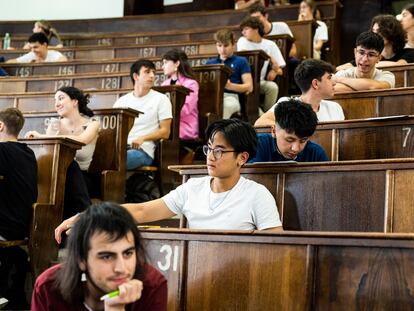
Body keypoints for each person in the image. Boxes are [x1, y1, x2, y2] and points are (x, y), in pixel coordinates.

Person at [55, 119, 283, 239]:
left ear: (242, 158)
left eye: (220, 151)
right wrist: (88, 216)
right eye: (209, 149)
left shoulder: (257, 194)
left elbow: (275, 246)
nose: (211, 157)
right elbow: (142, 211)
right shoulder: (191, 188)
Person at [32, 202, 167, 311]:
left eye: (128, 253)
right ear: (81, 259)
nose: (121, 268)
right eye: (107, 257)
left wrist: (116, 309)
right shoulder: (49, 288)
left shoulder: (151, 285)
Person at [25, 86, 99, 219]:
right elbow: (50, 152)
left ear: (74, 101)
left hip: (84, 176)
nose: (57, 104)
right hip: (59, 176)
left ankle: (85, 216)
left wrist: (42, 137)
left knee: (71, 165)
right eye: (55, 100)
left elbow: (82, 140)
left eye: (61, 98)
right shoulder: (55, 124)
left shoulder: (92, 124)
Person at [0, 108, 37, 310]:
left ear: (0, 126)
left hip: (7, 225)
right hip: (23, 222)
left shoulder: (3, 150)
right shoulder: (28, 152)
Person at [113, 59, 172, 170]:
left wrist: (143, 138)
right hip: (120, 148)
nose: (152, 76)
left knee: (117, 161)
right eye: (147, 72)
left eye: (153, 73)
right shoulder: (121, 101)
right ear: (136, 76)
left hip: (143, 151)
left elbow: (165, 132)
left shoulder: (161, 99)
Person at [255, 59, 344, 126]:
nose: (334, 83)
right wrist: (295, 131)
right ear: (315, 83)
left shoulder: (335, 108)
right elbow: (260, 123)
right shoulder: (287, 103)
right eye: (329, 78)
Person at [249, 99, 328, 162]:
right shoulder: (256, 146)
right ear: (274, 131)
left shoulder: (316, 154)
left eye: (303, 141)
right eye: (289, 140)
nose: (295, 149)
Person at [237, 16, 286, 112]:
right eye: (242, 30)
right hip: (244, 81)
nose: (243, 32)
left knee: (272, 87)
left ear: (256, 29)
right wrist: (269, 57)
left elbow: (280, 70)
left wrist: (274, 71)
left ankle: (268, 113)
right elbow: (245, 53)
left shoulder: (270, 44)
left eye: (246, 29)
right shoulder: (242, 41)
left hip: (260, 81)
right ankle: (258, 113)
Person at [337, 15, 414, 70]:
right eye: (374, 31)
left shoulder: (408, 53)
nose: (375, 35)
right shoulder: (370, 55)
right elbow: (340, 68)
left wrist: (366, 65)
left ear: (392, 33)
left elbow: (399, 66)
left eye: (379, 31)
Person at [206, 29, 253, 119]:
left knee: (226, 106)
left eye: (226, 45)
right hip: (213, 97)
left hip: (232, 97)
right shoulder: (210, 62)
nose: (222, 49)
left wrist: (229, 86)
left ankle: (218, 131)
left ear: (233, 44)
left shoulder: (241, 61)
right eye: (219, 45)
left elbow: (249, 87)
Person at [161, 49, 199, 140]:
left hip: (185, 126)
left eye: (166, 62)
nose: (162, 66)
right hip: (168, 123)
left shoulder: (191, 84)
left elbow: (186, 110)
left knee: (161, 131)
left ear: (177, 63)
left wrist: (164, 115)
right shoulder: (164, 84)